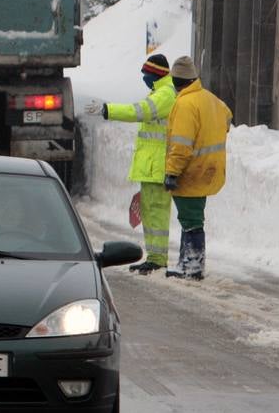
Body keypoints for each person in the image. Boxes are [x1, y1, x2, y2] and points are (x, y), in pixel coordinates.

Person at [85, 54, 176, 274]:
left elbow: (138, 111)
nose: (144, 77)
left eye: (147, 73)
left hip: (157, 167)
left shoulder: (164, 95)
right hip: (151, 167)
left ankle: (157, 259)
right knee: (150, 211)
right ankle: (154, 257)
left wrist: (108, 109)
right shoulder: (159, 92)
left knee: (156, 213)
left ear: (156, 74)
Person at [163, 56, 232, 280]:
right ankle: (186, 263)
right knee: (191, 218)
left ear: (176, 80)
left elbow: (182, 145)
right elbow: (227, 117)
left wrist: (172, 171)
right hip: (210, 170)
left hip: (191, 172)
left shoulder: (185, 104)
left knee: (191, 221)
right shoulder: (210, 99)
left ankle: (193, 267)